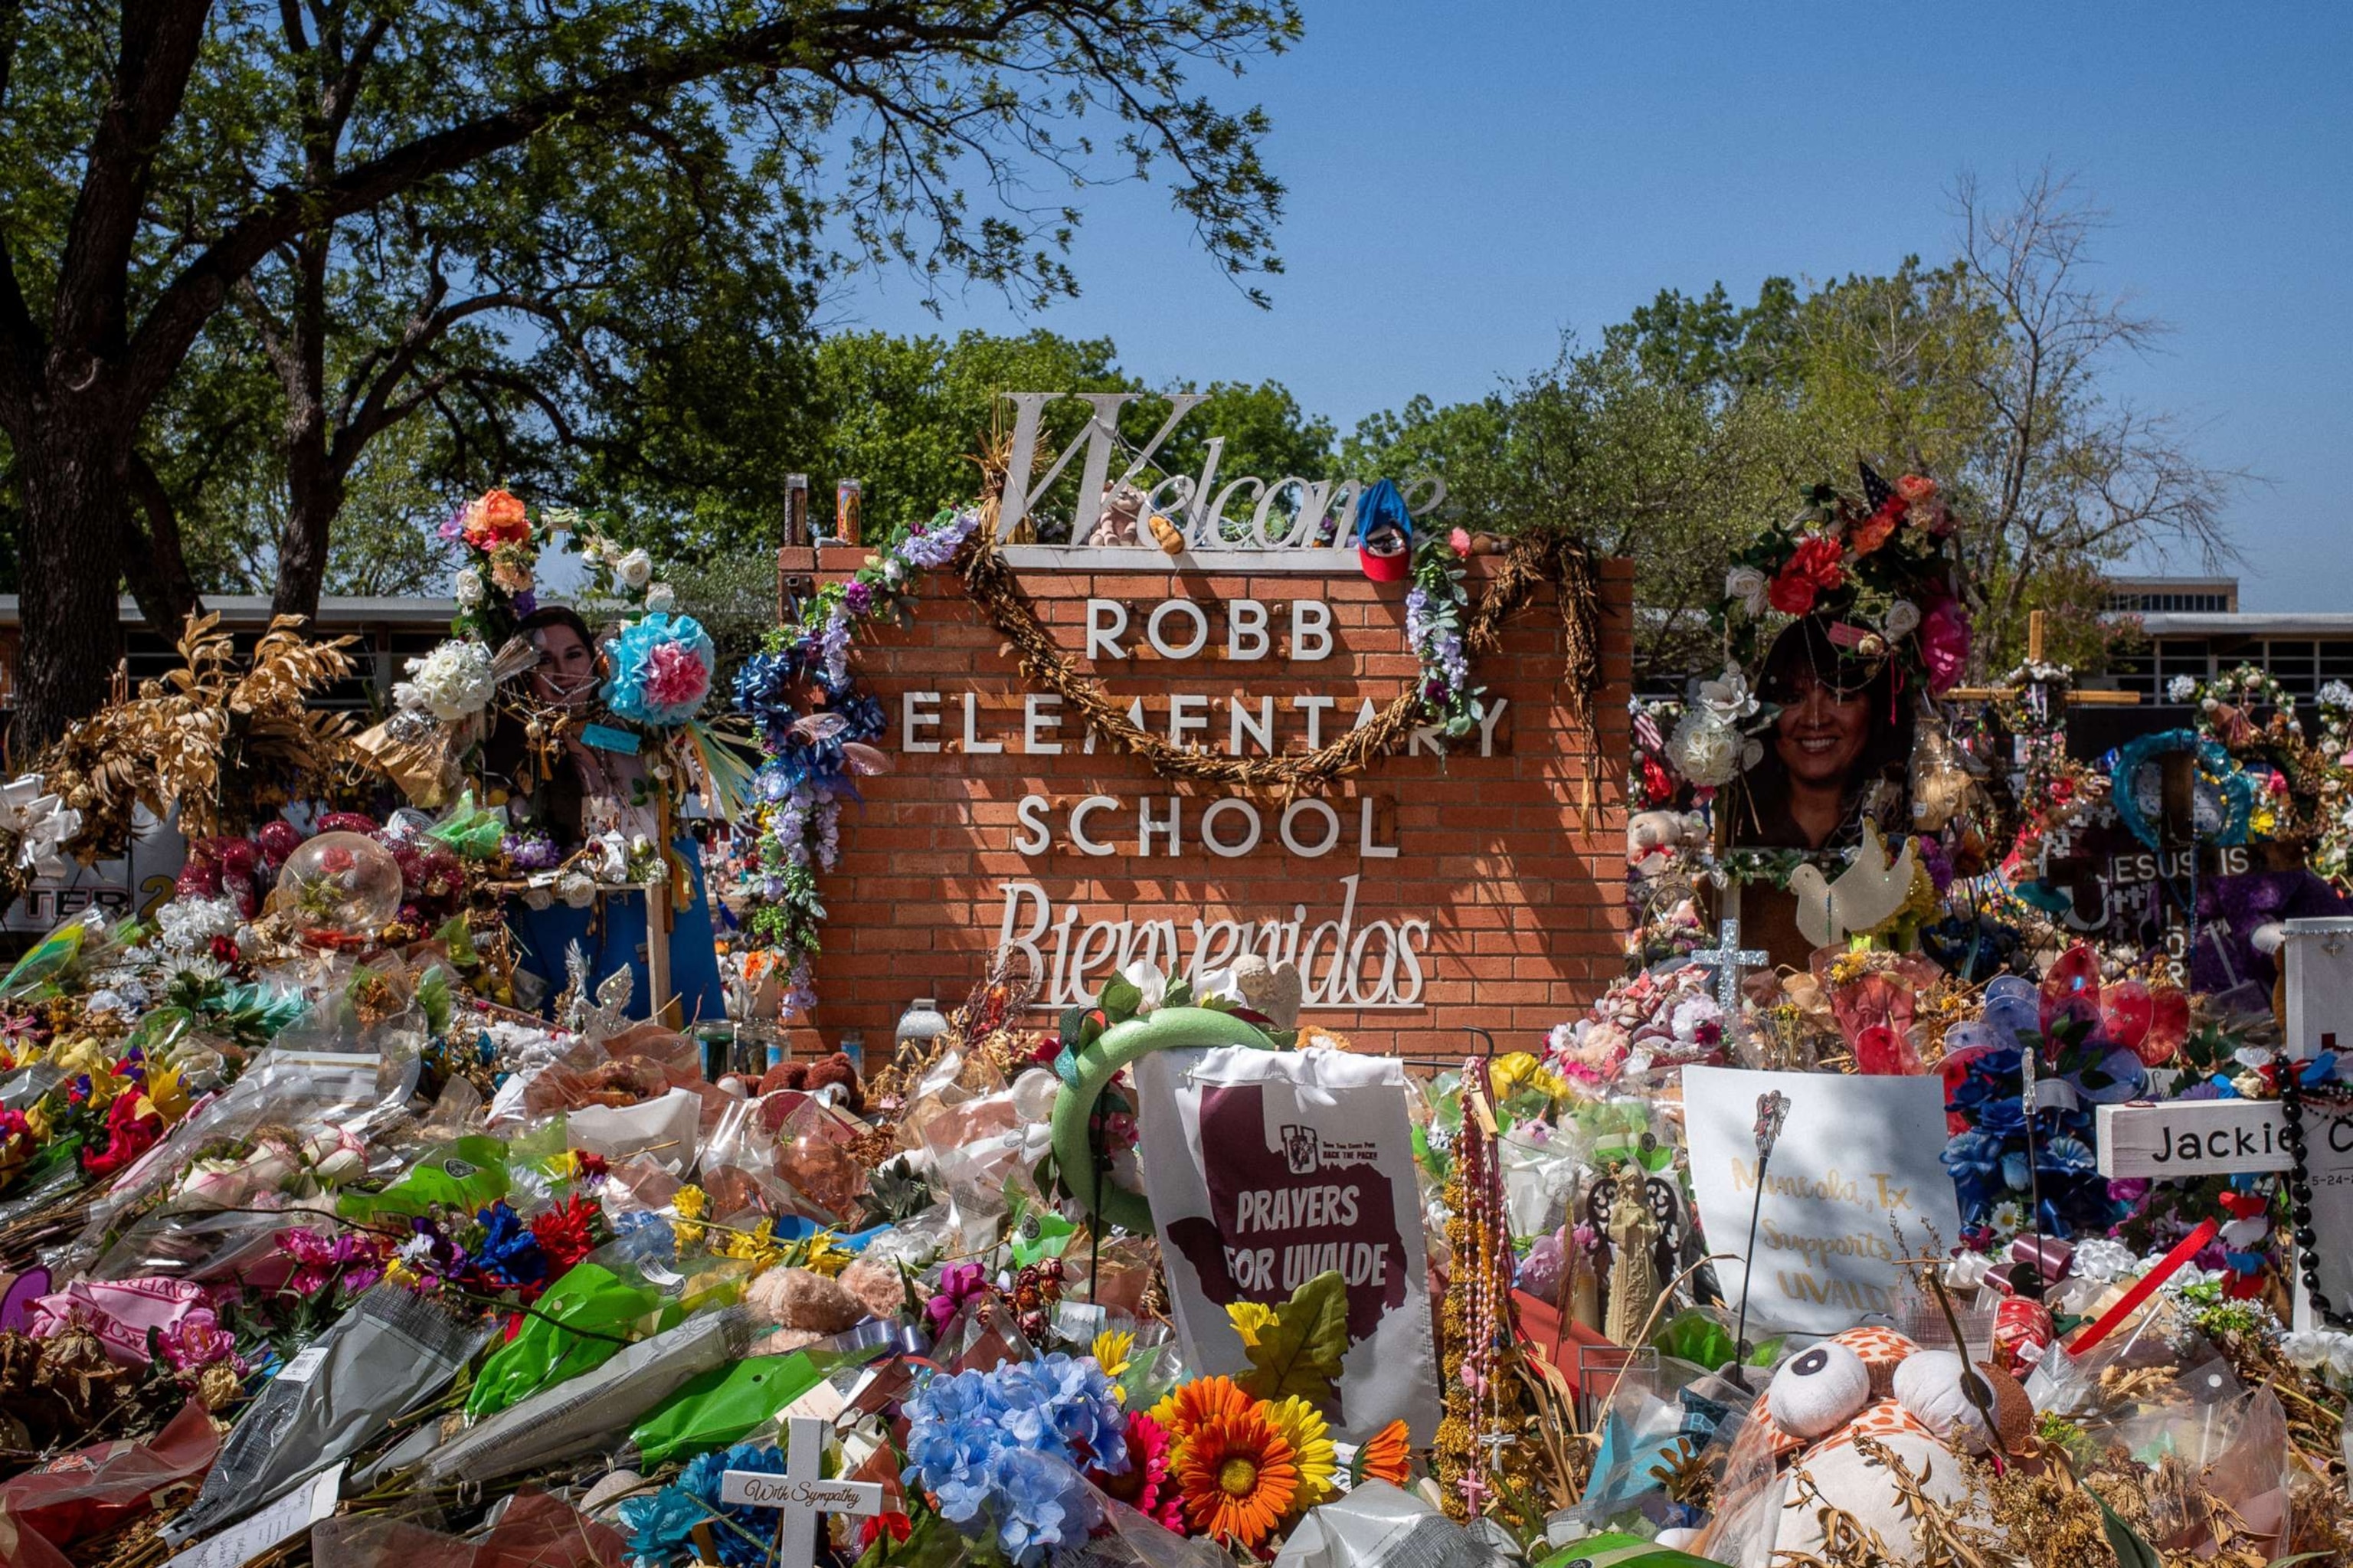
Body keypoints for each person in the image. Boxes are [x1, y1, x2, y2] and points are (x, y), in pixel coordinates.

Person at [484, 606, 725, 1026]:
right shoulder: (515, 752)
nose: (561, 673)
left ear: (595, 661)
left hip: (657, 916)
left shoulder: (639, 727)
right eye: (544, 661)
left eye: (573, 655)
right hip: (568, 927)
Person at [1733, 617, 1914, 851]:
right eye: (1793, 699)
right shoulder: (1734, 827)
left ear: (1877, 711)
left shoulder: (1907, 836)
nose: (1815, 720)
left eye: (1840, 696)